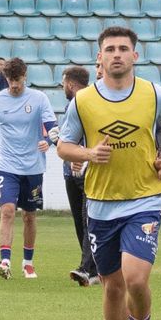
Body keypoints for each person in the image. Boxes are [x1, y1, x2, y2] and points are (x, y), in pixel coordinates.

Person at [56, 26, 161, 320]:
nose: (116, 54)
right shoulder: (82, 101)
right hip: (100, 205)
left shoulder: (153, 94)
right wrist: (88, 154)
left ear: (135, 56)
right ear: (99, 58)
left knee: (136, 278)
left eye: (123, 48)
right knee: (112, 288)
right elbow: (63, 147)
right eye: (109, 49)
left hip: (144, 199)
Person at [0, 57, 58, 280]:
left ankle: (27, 262)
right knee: (7, 211)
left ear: (25, 76)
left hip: (33, 166)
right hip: (7, 166)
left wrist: (52, 141)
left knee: (29, 215)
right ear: (5, 78)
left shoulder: (39, 98)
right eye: (10, 80)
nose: (14, 84)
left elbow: (51, 126)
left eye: (17, 79)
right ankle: (5, 261)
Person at [52, 66, 99, 286]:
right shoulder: (76, 104)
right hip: (70, 170)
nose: (63, 87)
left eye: (63, 83)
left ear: (70, 83)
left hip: (83, 170)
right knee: (81, 221)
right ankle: (93, 266)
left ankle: (87, 268)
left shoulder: (86, 103)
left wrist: (79, 153)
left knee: (86, 219)